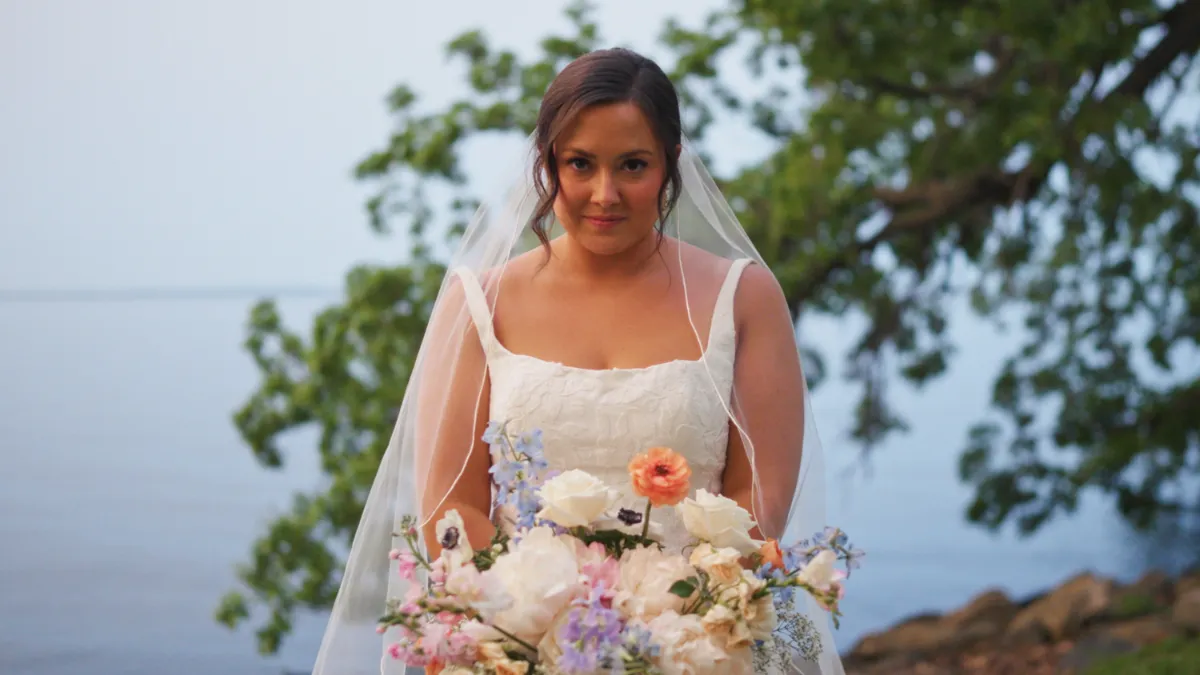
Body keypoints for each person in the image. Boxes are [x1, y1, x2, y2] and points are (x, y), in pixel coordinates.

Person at [311, 47, 843, 675]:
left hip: (700, 649)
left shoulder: (744, 298)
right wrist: (536, 638)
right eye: (580, 164)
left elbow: (760, 502)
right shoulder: (479, 304)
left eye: (633, 165)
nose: (604, 194)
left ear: (669, 165)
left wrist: (669, 635)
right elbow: (453, 509)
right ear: (547, 165)